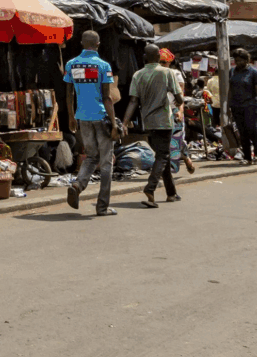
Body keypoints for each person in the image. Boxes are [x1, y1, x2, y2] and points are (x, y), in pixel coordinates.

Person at [63, 29, 119, 217]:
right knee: (106, 163)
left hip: (82, 117)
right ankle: (102, 206)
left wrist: (71, 116)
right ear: (98, 44)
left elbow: (69, 93)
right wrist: (114, 123)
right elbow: (107, 97)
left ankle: (78, 185)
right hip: (101, 118)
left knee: (91, 156)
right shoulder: (103, 66)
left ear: (81, 43)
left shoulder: (71, 64)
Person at [124, 44, 184, 208]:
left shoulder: (138, 75)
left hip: (148, 121)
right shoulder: (167, 72)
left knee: (162, 155)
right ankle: (150, 188)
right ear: (158, 57)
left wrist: (124, 122)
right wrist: (180, 103)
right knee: (163, 155)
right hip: (164, 120)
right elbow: (179, 97)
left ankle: (171, 193)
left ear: (144, 58)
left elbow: (133, 101)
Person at [158, 50, 195, 176]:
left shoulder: (176, 74)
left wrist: (179, 111)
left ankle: (172, 170)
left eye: (164, 62)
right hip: (159, 111)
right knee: (173, 140)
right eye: (159, 62)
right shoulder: (154, 74)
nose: (162, 65)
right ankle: (186, 157)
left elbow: (180, 97)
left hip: (173, 110)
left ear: (169, 62)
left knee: (174, 139)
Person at [228, 49, 257, 165]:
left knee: (252, 130)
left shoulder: (253, 72)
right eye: (236, 60)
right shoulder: (232, 72)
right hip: (236, 106)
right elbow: (230, 89)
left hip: (250, 105)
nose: (238, 62)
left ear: (246, 60)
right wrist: (227, 106)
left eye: (240, 60)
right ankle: (247, 157)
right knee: (242, 132)